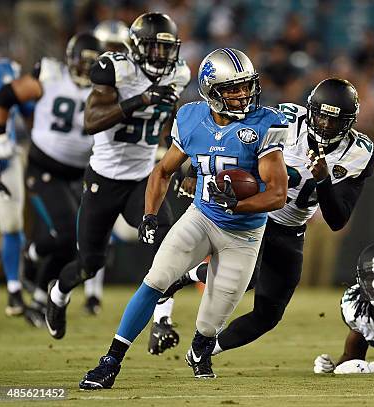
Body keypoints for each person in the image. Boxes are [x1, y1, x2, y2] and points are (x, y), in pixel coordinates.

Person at [78, 47, 289, 389]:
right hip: (201, 218)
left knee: (211, 322)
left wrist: (235, 206)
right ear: (211, 90)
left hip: (244, 235)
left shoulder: (265, 124)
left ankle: (200, 348)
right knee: (156, 278)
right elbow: (162, 171)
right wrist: (149, 214)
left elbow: (278, 195)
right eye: (231, 88)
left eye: (245, 86)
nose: (241, 94)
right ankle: (110, 361)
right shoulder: (191, 118)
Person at [148, 78, 374, 357]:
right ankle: (183, 278)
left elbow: (337, 219)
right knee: (246, 279)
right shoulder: (284, 119)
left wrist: (324, 180)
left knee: (269, 314)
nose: (326, 126)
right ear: (310, 110)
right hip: (257, 214)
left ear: (350, 122)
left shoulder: (359, 153)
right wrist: (196, 170)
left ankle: (203, 351)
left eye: (335, 121)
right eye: (321, 117)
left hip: (292, 228)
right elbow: (228, 131)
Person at [44, 12, 190, 339]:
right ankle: (58, 293)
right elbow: (91, 121)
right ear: (138, 47)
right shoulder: (117, 69)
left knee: (165, 240)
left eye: (167, 50)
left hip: (142, 178)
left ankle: (162, 321)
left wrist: (176, 160)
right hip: (104, 178)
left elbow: (167, 120)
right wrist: (140, 100)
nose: (162, 57)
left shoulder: (178, 74)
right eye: (154, 49)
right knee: (89, 263)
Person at [0, 33, 103, 326]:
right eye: (83, 63)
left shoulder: (107, 85)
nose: (87, 70)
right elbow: (6, 95)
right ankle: (37, 287)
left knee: (72, 241)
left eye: (93, 64)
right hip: (44, 169)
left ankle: (36, 282)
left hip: (79, 173)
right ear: (70, 61)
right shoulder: (51, 75)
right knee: (69, 234)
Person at [81, 19, 131, 316]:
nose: (112, 54)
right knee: (78, 237)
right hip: (82, 165)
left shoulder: (129, 81)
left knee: (110, 234)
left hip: (112, 169)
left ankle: (92, 294)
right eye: (107, 48)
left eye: (117, 48)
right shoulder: (81, 82)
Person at [0, 57, 34, 316]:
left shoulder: (8, 68)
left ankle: (13, 289)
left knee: (12, 225)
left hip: (5, 156)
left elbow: (27, 108)